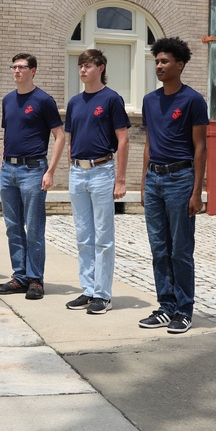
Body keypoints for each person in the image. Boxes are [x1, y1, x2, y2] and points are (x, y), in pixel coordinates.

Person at [139, 37, 208, 334]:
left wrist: (197, 191)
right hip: (154, 179)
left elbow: (201, 148)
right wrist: (142, 182)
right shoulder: (149, 101)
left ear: (180, 65)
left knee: (180, 249)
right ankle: (165, 306)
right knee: (158, 248)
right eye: (156, 61)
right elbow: (149, 143)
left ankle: (184, 309)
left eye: (165, 61)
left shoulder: (192, 100)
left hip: (181, 180)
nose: (159, 66)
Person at [0, 53, 65, 300]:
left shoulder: (44, 100)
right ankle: (19, 277)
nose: (16, 71)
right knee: (13, 226)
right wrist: (3, 161)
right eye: (14, 66)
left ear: (33, 71)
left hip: (33, 171)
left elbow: (60, 135)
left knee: (33, 227)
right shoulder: (7, 100)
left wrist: (50, 171)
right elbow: (9, 133)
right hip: (8, 171)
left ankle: (36, 279)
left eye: (22, 67)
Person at [64, 49, 130, 315]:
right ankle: (88, 289)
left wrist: (121, 180)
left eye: (88, 66)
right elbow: (71, 137)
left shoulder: (112, 99)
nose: (82, 70)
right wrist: (71, 165)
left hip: (102, 171)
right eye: (80, 66)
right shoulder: (74, 102)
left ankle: (103, 295)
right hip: (77, 173)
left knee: (103, 236)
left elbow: (123, 140)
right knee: (83, 235)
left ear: (100, 68)